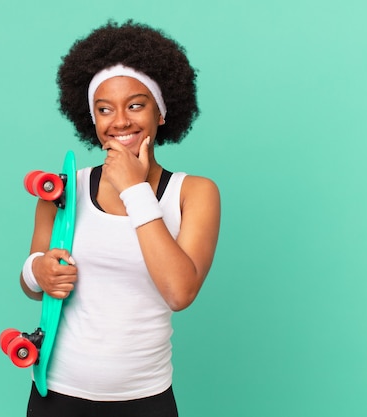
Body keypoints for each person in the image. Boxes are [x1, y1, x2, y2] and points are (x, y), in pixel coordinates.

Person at [19, 20, 221, 417]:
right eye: (104, 109)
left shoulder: (194, 193)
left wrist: (134, 189)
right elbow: (33, 282)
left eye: (136, 105)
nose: (120, 122)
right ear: (91, 119)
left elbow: (180, 293)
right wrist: (36, 272)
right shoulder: (61, 190)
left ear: (161, 112)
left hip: (145, 399)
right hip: (56, 395)